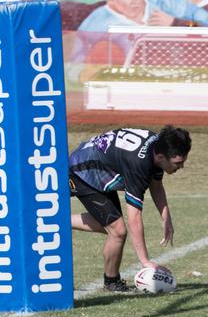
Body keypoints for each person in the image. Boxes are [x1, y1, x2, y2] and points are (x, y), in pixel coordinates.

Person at [69, 125, 191, 292]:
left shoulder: (157, 147)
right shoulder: (139, 164)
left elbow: (156, 185)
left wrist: (165, 218)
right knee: (117, 231)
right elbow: (134, 217)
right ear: (161, 157)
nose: (181, 167)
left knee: (113, 228)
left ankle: (59, 221)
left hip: (99, 167)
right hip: (81, 171)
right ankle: (111, 282)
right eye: (178, 163)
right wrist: (145, 261)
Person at [67, 0, 208, 82]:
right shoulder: (95, 23)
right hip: (137, 83)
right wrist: (92, 74)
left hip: (184, 75)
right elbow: (73, 67)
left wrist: (174, 24)